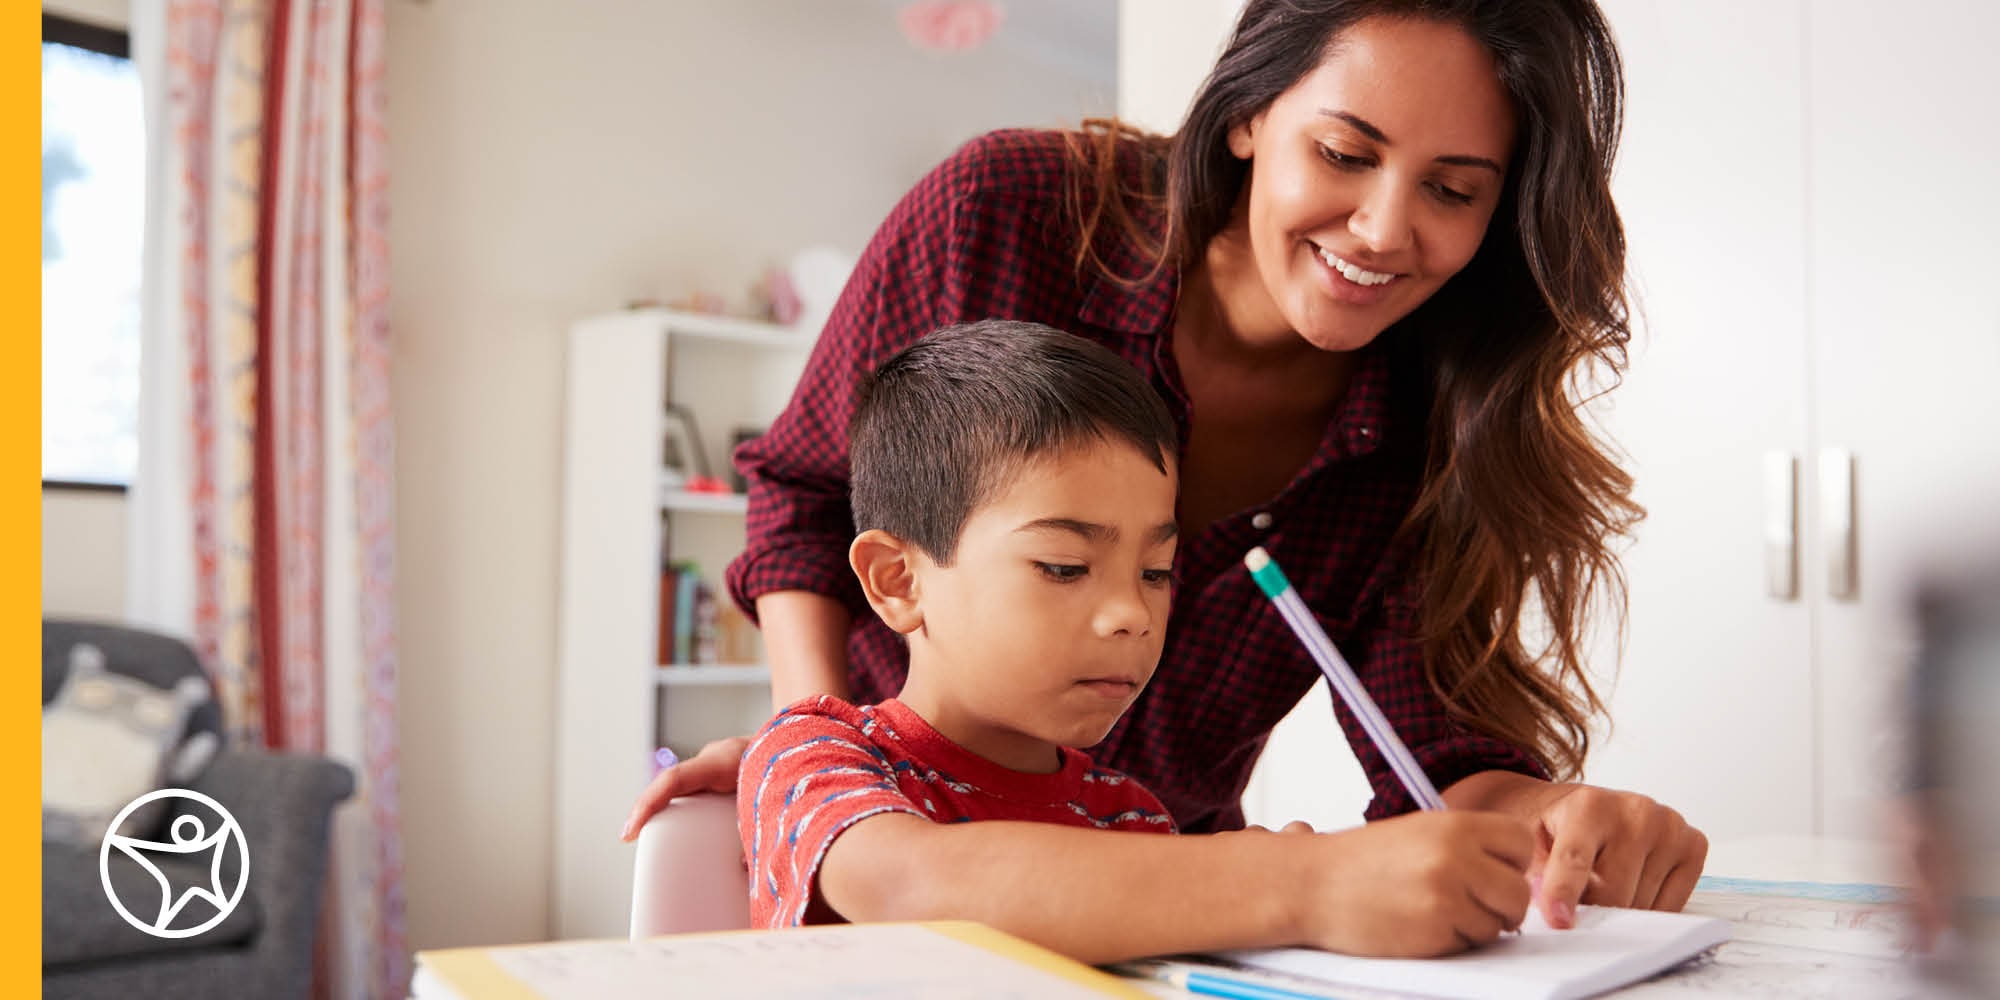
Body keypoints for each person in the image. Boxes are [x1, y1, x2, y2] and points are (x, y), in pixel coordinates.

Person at [626, 0, 1709, 931]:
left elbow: (1431, 760)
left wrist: (1554, 823)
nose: (1382, 229)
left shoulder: (1436, 426)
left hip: (1170, 914)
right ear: (1246, 114)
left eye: (1453, 190)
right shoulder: (1004, 213)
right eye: (1343, 153)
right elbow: (807, 498)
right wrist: (821, 746)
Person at [741, 319, 1542, 962]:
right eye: (1064, 565)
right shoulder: (816, 755)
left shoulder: (1126, 818)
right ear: (897, 581)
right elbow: (911, 886)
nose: (1133, 613)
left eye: (1157, 572)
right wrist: (1302, 884)